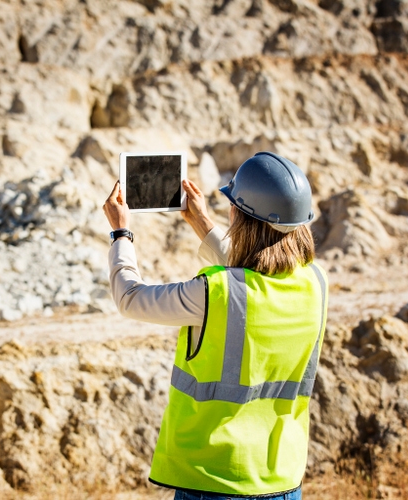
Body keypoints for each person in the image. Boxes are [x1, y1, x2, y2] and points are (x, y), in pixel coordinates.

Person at [102, 152, 328, 500]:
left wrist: (121, 233)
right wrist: (202, 222)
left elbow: (130, 297)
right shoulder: (315, 283)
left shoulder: (216, 292)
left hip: (215, 481)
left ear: (240, 216)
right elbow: (259, 270)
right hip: (282, 479)